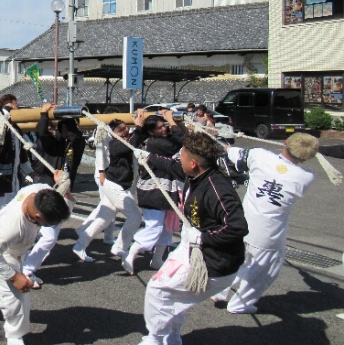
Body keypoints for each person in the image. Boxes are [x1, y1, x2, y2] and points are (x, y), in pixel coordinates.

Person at [136, 132, 248, 345]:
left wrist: (203, 238)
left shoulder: (217, 189)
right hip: (192, 247)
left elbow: (237, 227)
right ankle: (172, 336)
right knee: (168, 294)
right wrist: (148, 157)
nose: (179, 160)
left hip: (213, 261)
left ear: (194, 163)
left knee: (158, 291)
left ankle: (155, 339)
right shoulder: (198, 174)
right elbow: (173, 167)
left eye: (182, 157)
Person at [210, 133, 317, 314]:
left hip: (243, 223)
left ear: (286, 142)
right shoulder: (305, 177)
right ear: (305, 158)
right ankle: (240, 304)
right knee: (265, 270)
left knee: (238, 259)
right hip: (269, 234)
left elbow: (232, 152)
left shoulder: (259, 155)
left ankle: (219, 292)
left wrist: (225, 145)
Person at [0, 185, 71, 345]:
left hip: (11, 246)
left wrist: (64, 188)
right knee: (15, 293)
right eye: (47, 223)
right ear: (38, 216)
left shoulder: (41, 190)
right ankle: (14, 335)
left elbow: (56, 194)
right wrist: (14, 276)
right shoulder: (12, 224)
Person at [22, 102, 83, 286]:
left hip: (63, 193)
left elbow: (75, 136)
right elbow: (42, 134)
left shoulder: (76, 144)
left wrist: (67, 118)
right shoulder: (53, 145)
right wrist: (43, 114)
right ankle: (25, 270)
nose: (72, 130)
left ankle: (24, 267)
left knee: (43, 235)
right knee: (44, 236)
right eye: (68, 127)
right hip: (46, 192)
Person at [73, 117, 142, 266]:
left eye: (126, 127)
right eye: (121, 130)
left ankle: (80, 244)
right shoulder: (112, 142)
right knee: (135, 216)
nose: (125, 131)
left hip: (120, 183)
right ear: (113, 132)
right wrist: (101, 173)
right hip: (112, 183)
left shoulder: (124, 139)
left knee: (104, 217)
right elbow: (100, 154)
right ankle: (120, 246)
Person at [123, 110, 186, 273]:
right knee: (154, 226)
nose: (164, 129)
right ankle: (130, 255)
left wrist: (175, 123)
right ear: (151, 132)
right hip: (153, 191)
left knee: (165, 228)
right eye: (159, 127)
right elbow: (180, 141)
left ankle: (157, 259)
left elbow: (182, 138)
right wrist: (172, 121)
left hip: (164, 189)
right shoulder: (154, 143)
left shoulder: (159, 139)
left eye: (163, 125)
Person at [0, 94, 32, 222]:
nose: (17, 109)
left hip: (13, 182)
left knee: (9, 220)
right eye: (15, 106)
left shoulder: (16, 129)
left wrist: (30, 171)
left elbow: (21, 154)